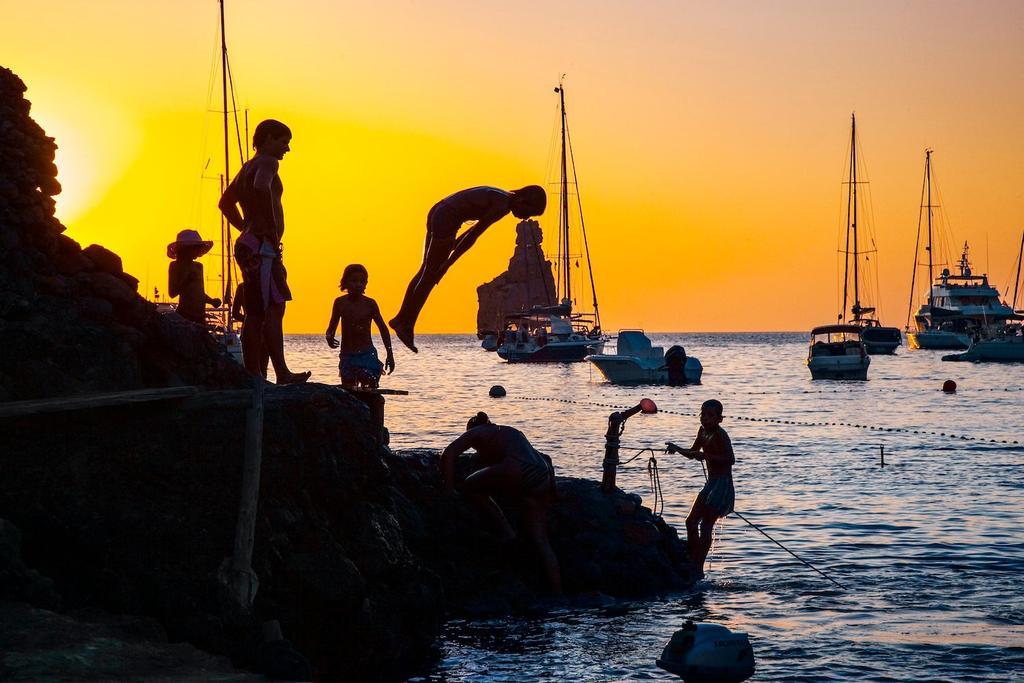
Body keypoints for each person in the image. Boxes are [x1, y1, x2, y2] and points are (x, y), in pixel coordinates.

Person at [389, 185, 547, 352]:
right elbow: (474, 235)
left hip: (439, 210)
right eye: (529, 212)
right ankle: (406, 323)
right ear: (523, 200)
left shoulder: (502, 196)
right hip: (446, 218)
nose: (525, 217)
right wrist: (448, 264)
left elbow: (470, 230)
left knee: (425, 271)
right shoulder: (502, 206)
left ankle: (402, 318)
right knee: (431, 275)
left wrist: (454, 245)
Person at [218, 118, 310, 384]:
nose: (287, 149)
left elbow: (225, 203)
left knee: (262, 309)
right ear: (268, 138)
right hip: (262, 246)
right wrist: (266, 228)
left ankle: (261, 371)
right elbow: (260, 187)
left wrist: (245, 229)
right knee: (269, 308)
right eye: (284, 142)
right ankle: (272, 372)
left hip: (251, 243)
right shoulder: (268, 163)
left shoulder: (246, 167)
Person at [440, 413, 561, 594]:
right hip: (542, 476)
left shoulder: (476, 432)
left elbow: (448, 454)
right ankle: (558, 592)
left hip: (517, 468)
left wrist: (448, 491)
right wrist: (553, 493)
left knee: (468, 486)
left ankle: (506, 530)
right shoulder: (511, 432)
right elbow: (546, 460)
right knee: (541, 540)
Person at [669, 399, 735, 579]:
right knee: (690, 521)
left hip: (722, 485)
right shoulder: (702, 431)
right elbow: (693, 453)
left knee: (706, 525)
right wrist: (676, 448)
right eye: (703, 415)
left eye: (710, 416)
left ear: (719, 419)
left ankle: (698, 566)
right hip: (710, 484)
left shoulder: (721, 435)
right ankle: (692, 556)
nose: (705, 419)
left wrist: (706, 456)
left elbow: (730, 460)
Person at [325, 264, 395, 388]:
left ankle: (372, 405)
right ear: (345, 282)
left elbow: (383, 329)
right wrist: (329, 337)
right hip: (348, 355)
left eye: (362, 281)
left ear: (366, 284)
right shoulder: (340, 303)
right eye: (354, 281)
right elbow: (331, 327)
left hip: (367, 354)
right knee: (349, 389)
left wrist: (390, 354)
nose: (358, 284)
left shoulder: (370, 304)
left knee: (371, 385)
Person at [167, 229, 221, 325]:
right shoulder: (175, 266)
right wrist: (187, 281)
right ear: (186, 249)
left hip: (200, 317)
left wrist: (211, 301)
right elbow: (172, 293)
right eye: (196, 248)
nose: (198, 251)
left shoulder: (198, 266)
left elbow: (199, 292)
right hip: (185, 316)